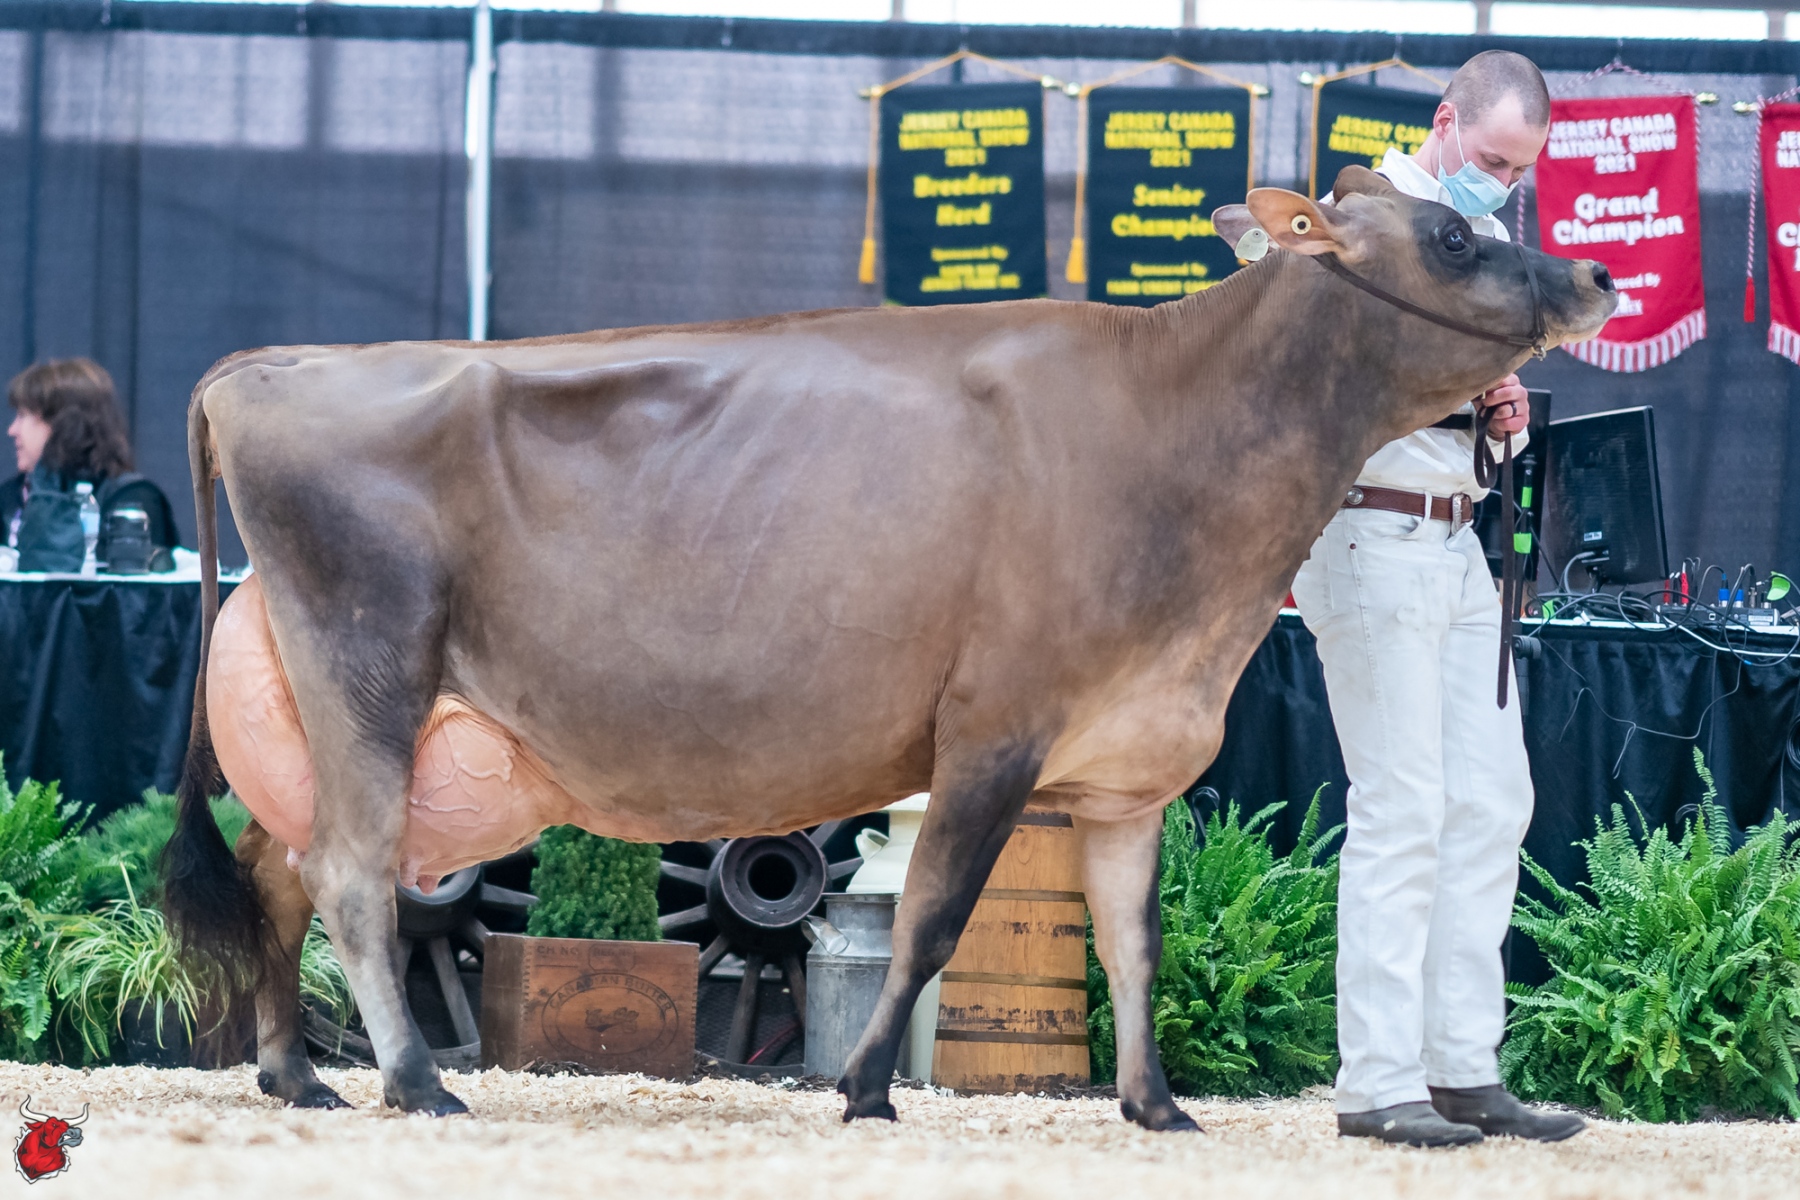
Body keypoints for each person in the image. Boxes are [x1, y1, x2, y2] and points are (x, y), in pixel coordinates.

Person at [1291, 51, 1587, 1148]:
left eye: (1519, 170)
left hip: (1459, 537)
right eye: (1492, 159)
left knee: (1493, 801)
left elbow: (1452, 409)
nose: (1501, 183)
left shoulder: (1484, 243)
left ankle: (1463, 1067)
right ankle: (1377, 1082)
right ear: (1445, 121)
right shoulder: (1362, 222)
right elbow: (1318, 384)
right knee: (1404, 804)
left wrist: (1497, 417)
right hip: (1368, 530)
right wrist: (1457, 386)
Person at [2, 358, 180, 566]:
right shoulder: (9, 497)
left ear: (64, 422)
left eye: (23, 415)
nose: (12, 430)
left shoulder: (131, 499)